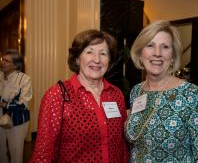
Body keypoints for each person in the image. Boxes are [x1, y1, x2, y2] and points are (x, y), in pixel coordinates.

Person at [30, 29, 128, 162]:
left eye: (103, 53)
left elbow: (122, 145)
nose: (97, 59)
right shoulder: (57, 95)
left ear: (109, 61)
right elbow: (43, 152)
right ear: (77, 58)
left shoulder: (116, 94)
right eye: (89, 52)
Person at [125, 20, 198, 163]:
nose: (157, 53)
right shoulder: (136, 91)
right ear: (140, 53)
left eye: (165, 47)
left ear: (173, 56)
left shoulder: (190, 94)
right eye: (150, 46)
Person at [0, 49, 32, 163]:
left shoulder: (24, 79)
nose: (2, 62)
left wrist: (4, 104)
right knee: (1, 151)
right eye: (2, 59)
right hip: (0, 119)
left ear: (15, 65)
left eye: (6, 61)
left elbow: (23, 104)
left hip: (17, 121)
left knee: (16, 152)